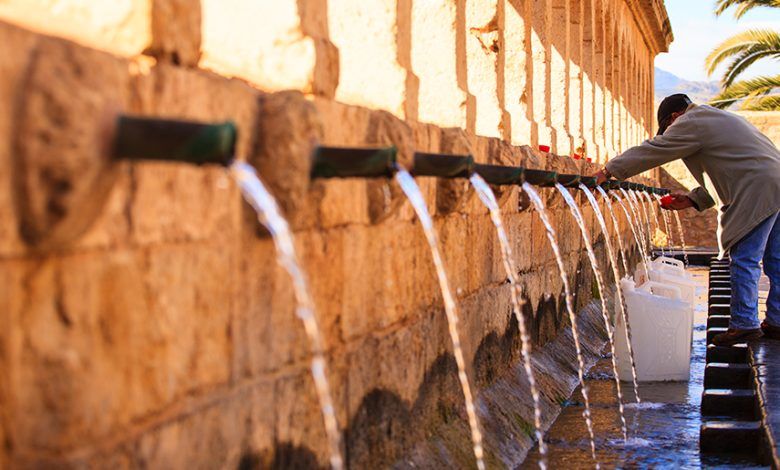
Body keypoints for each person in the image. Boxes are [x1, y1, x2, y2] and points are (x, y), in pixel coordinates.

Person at [593, 93, 780, 346]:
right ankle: (777, 320)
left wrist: (609, 171)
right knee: (775, 258)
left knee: (744, 257)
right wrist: (694, 199)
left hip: (757, 189)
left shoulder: (690, 121)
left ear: (674, 117)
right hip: (773, 183)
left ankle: (745, 323)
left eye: (668, 129)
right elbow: (728, 170)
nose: (671, 134)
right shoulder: (714, 118)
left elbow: (655, 149)